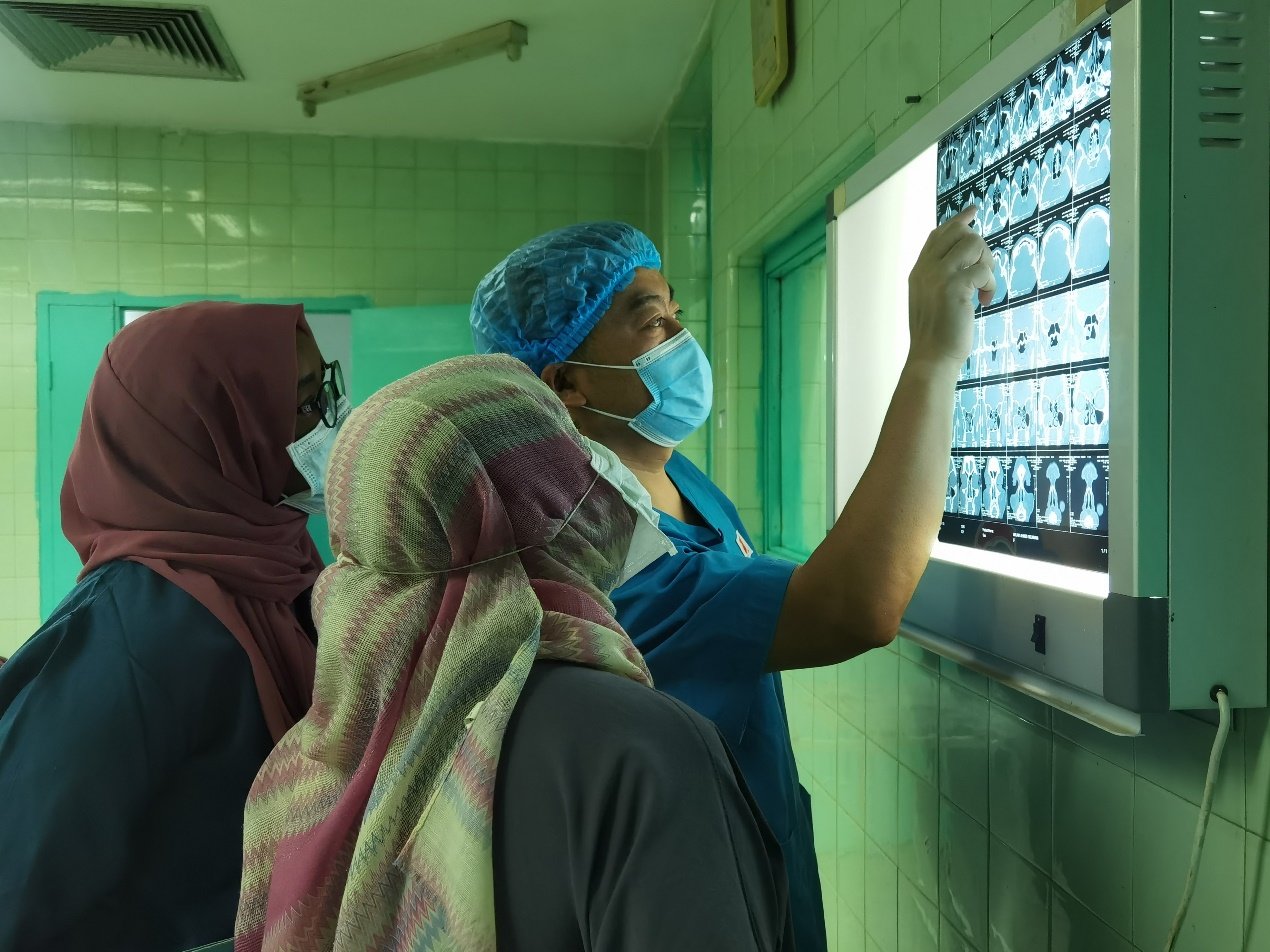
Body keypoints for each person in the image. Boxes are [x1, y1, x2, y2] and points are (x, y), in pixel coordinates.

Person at [470, 212, 996, 952]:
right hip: (686, 890)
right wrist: (934, 360)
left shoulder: (677, 477)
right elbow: (854, 606)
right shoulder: (598, 554)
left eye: (676, 314)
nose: (683, 339)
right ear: (568, 383)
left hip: (759, 827)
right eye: (654, 323)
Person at [234, 355, 794, 952]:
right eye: (575, 455)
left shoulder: (307, 766)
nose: (602, 476)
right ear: (553, 501)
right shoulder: (639, 747)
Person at [0, 301, 349, 951]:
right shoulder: (136, 633)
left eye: (324, 391)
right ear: (210, 435)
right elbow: (20, 890)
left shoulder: (284, 566)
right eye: (305, 404)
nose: (331, 423)